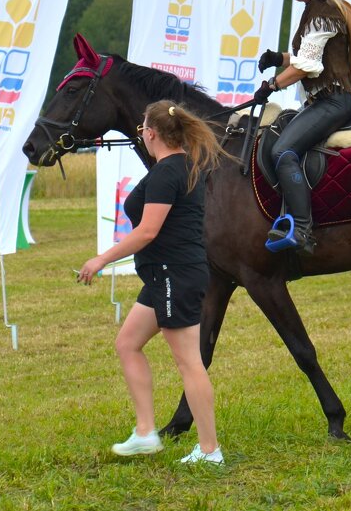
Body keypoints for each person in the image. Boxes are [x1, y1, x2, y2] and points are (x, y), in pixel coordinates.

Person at [76, 100, 229, 465]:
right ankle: (145, 432)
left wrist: (101, 259)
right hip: (167, 275)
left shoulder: (168, 172)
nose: (141, 132)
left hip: (174, 275)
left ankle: (210, 451)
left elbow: (147, 232)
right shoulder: (180, 166)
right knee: (128, 343)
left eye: (143, 126)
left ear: (152, 132)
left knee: (189, 362)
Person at [252, 0, 351, 254]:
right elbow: (306, 58)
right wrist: (279, 58)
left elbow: (305, 67)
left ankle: (302, 230)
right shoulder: (313, 9)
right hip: (321, 101)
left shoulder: (323, 13)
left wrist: (271, 85)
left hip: (334, 101)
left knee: (285, 151)